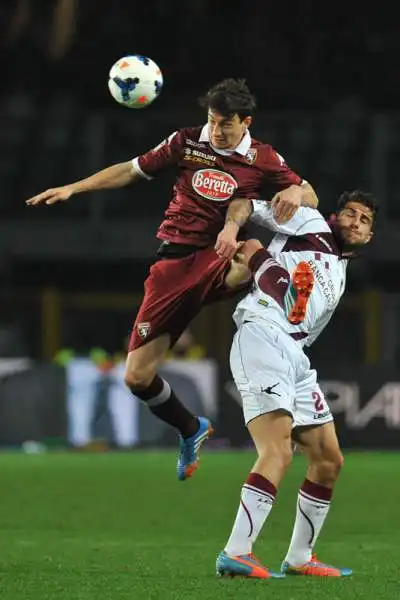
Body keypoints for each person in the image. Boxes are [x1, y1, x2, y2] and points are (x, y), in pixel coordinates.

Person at [26, 78, 319, 481]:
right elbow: (131, 170)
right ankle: (190, 428)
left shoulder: (263, 158)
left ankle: (290, 300)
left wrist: (295, 194)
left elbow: (310, 194)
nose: (216, 131)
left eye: (225, 125)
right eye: (212, 122)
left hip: (219, 254)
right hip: (174, 263)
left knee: (247, 253)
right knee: (137, 377)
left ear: (246, 122)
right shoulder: (186, 141)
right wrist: (75, 188)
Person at [216, 190, 377, 578]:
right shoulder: (310, 223)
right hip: (262, 335)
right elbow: (245, 209)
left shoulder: (338, 275)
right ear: (335, 216)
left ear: (369, 236)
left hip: (294, 354)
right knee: (278, 450)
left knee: (328, 459)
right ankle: (236, 552)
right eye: (350, 214)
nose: (355, 222)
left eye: (365, 220)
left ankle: (301, 557)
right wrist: (233, 228)